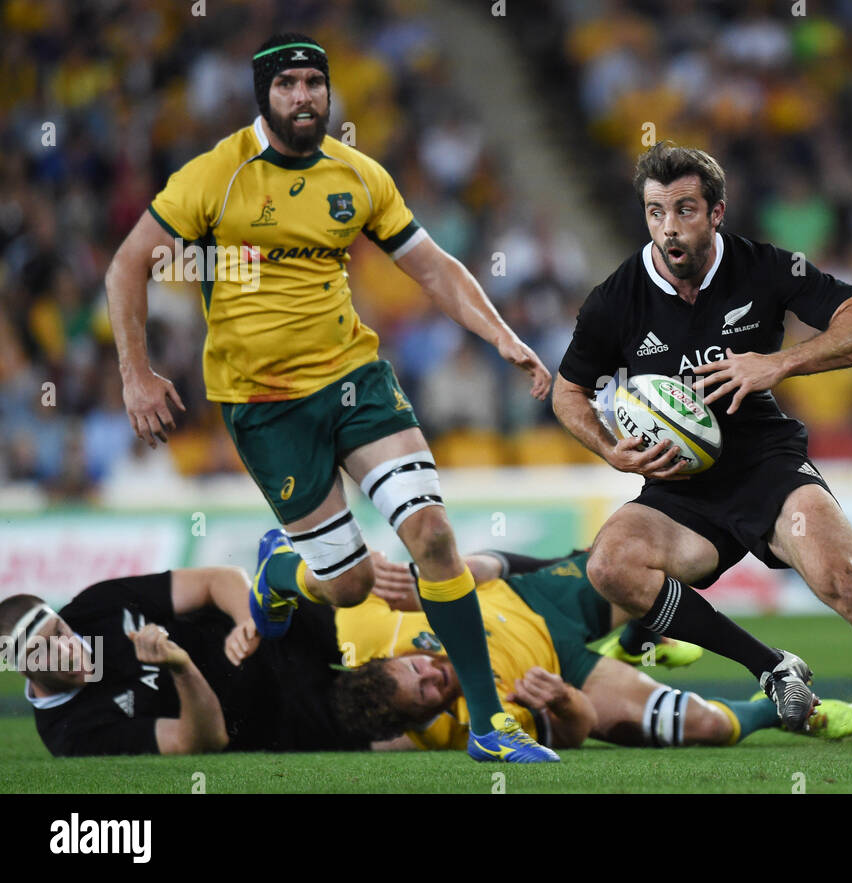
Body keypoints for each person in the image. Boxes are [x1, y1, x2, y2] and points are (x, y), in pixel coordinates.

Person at [103, 33, 555, 762]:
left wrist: (500, 335)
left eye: (315, 82)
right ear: (264, 96)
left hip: (354, 380)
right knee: (344, 588)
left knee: (434, 536)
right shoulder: (214, 177)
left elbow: (432, 267)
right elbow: (127, 267)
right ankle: (280, 573)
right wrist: (137, 373)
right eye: (288, 85)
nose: (305, 96)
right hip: (265, 407)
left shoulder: (358, 175)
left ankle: (487, 723)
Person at [550, 142, 852, 771]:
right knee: (611, 565)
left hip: (768, 468)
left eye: (684, 210)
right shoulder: (616, 297)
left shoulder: (766, 267)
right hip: (683, 488)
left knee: (850, 587)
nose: (668, 229)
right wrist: (613, 452)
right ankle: (771, 666)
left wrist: (780, 362)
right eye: (655, 212)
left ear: (716, 212)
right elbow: (568, 390)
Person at [321, 549, 852, 750]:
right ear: (424, 717)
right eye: (427, 693)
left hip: (527, 596)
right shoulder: (474, 725)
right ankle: (780, 711)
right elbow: (577, 730)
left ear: (389, 657)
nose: (434, 673)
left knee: (651, 562)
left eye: (417, 666)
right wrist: (558, 698)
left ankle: (638, 638)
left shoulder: (368, 627)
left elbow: (328, 568)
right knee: (707, 728)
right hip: (565, 670)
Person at [0, 567, 365, 756]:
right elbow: (201, 741)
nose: (68, 651)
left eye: (60, 633)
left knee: (375, 611)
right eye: (44, 652)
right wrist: (181, 667)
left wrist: (246, 623)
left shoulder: (94, 607)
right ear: (21, 668)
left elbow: (215, 579)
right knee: (408, 701)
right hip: (281, 718)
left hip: (283, 633)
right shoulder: (70, 734)